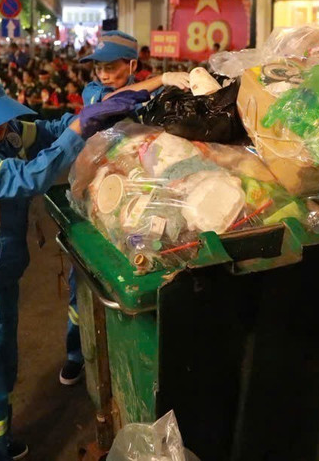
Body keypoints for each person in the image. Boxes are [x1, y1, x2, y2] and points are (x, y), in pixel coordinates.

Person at [0, 67, 145, 461]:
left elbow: (48, 131)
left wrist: (92, 112)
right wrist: (78, 129)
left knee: (0, 369)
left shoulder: (6, 132)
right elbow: (29, 177)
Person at [56, 30, 192, 386]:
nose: (103, 73)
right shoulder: (95, 93)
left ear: (131, 65)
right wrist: (161, 80)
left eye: (111, 66)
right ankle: (77, 353)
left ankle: (121, 356)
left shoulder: (152, 93)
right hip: (94, 191)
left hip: (131, 193)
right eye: (99, 67)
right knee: (82, 284)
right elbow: (113, 102)